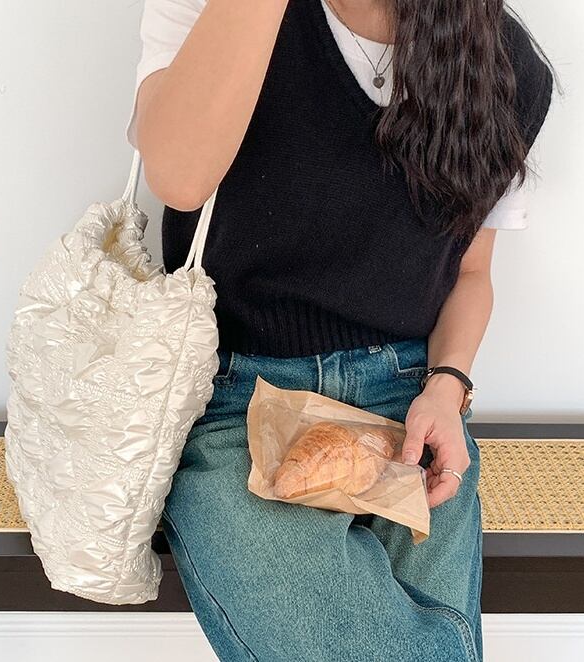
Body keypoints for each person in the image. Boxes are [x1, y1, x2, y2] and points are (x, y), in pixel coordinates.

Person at [126, 1, 555, 660]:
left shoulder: (502, 59)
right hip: (233, 404)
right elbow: (178, 179)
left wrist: (447, 389)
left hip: (408, 406)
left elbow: (471, 273)